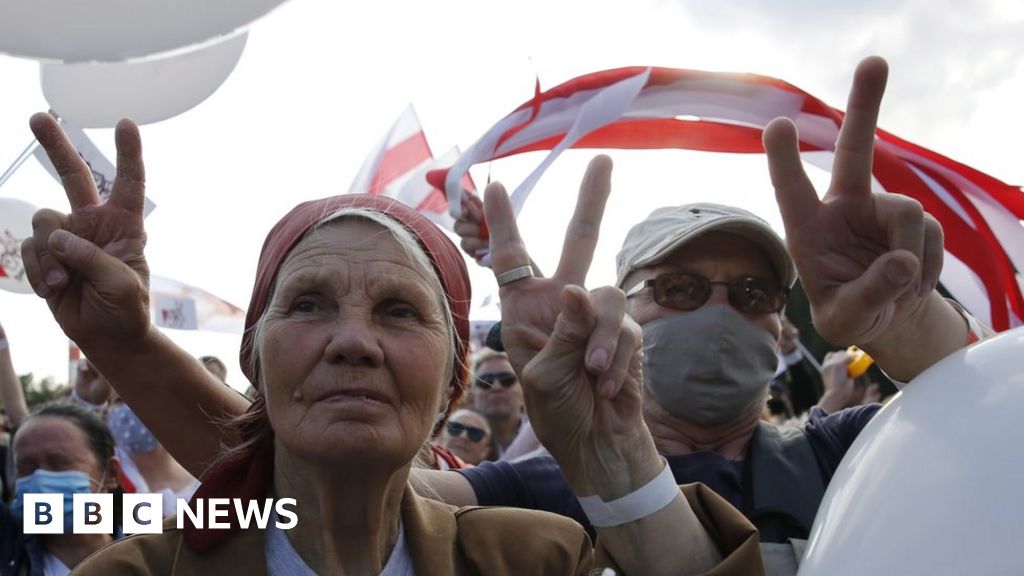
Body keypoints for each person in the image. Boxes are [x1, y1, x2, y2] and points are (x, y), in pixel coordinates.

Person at [22, 114, 763, 575]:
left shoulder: (537, 560)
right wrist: (128, 346)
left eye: (401, 312)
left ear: (455, 382)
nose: (353, 341)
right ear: (254, 359)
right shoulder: (139, 571)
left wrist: (613, 450)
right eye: (308, 304)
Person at [443, 55, 991, 563]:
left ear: (779, 324)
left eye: (753, 294)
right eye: (681, 288)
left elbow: (996, 427)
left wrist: (908, 326)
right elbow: (380, 508)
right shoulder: (544, 485)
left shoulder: (852, 453)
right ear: (621, 311)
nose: (720, 311)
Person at [0, 403, 123, 576]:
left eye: (59, 464)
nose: (40, 479)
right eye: (26, 467)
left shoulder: (152, 558)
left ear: (111, 474)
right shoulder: (8, 550)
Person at [468, 348, 524, 459]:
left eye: (506, 379)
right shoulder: (459, 440)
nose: (496, 387)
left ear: (523, 390)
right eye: (486, 381)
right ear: (472, 396)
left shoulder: (546, 438)